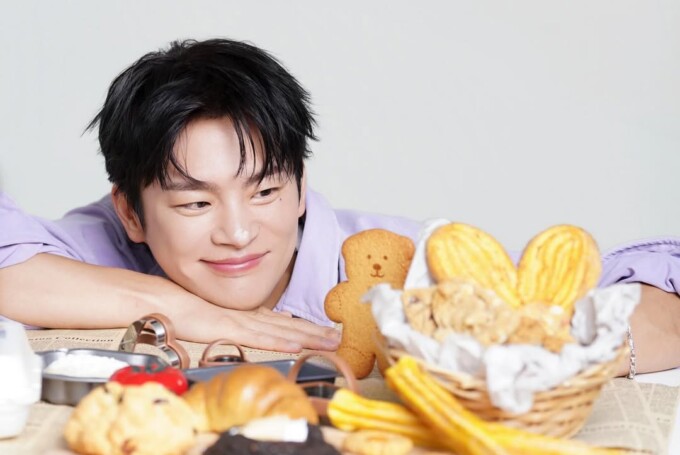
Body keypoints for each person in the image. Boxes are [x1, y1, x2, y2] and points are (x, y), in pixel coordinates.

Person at [0, 38, 678, 377]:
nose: (237, 232)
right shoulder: (91, 252)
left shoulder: (400, 265)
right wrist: (184, 309)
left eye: (266, 191)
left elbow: (661, 288)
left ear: (300, 185)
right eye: (196, 201)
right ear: (130, 212)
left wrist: (527, 357)